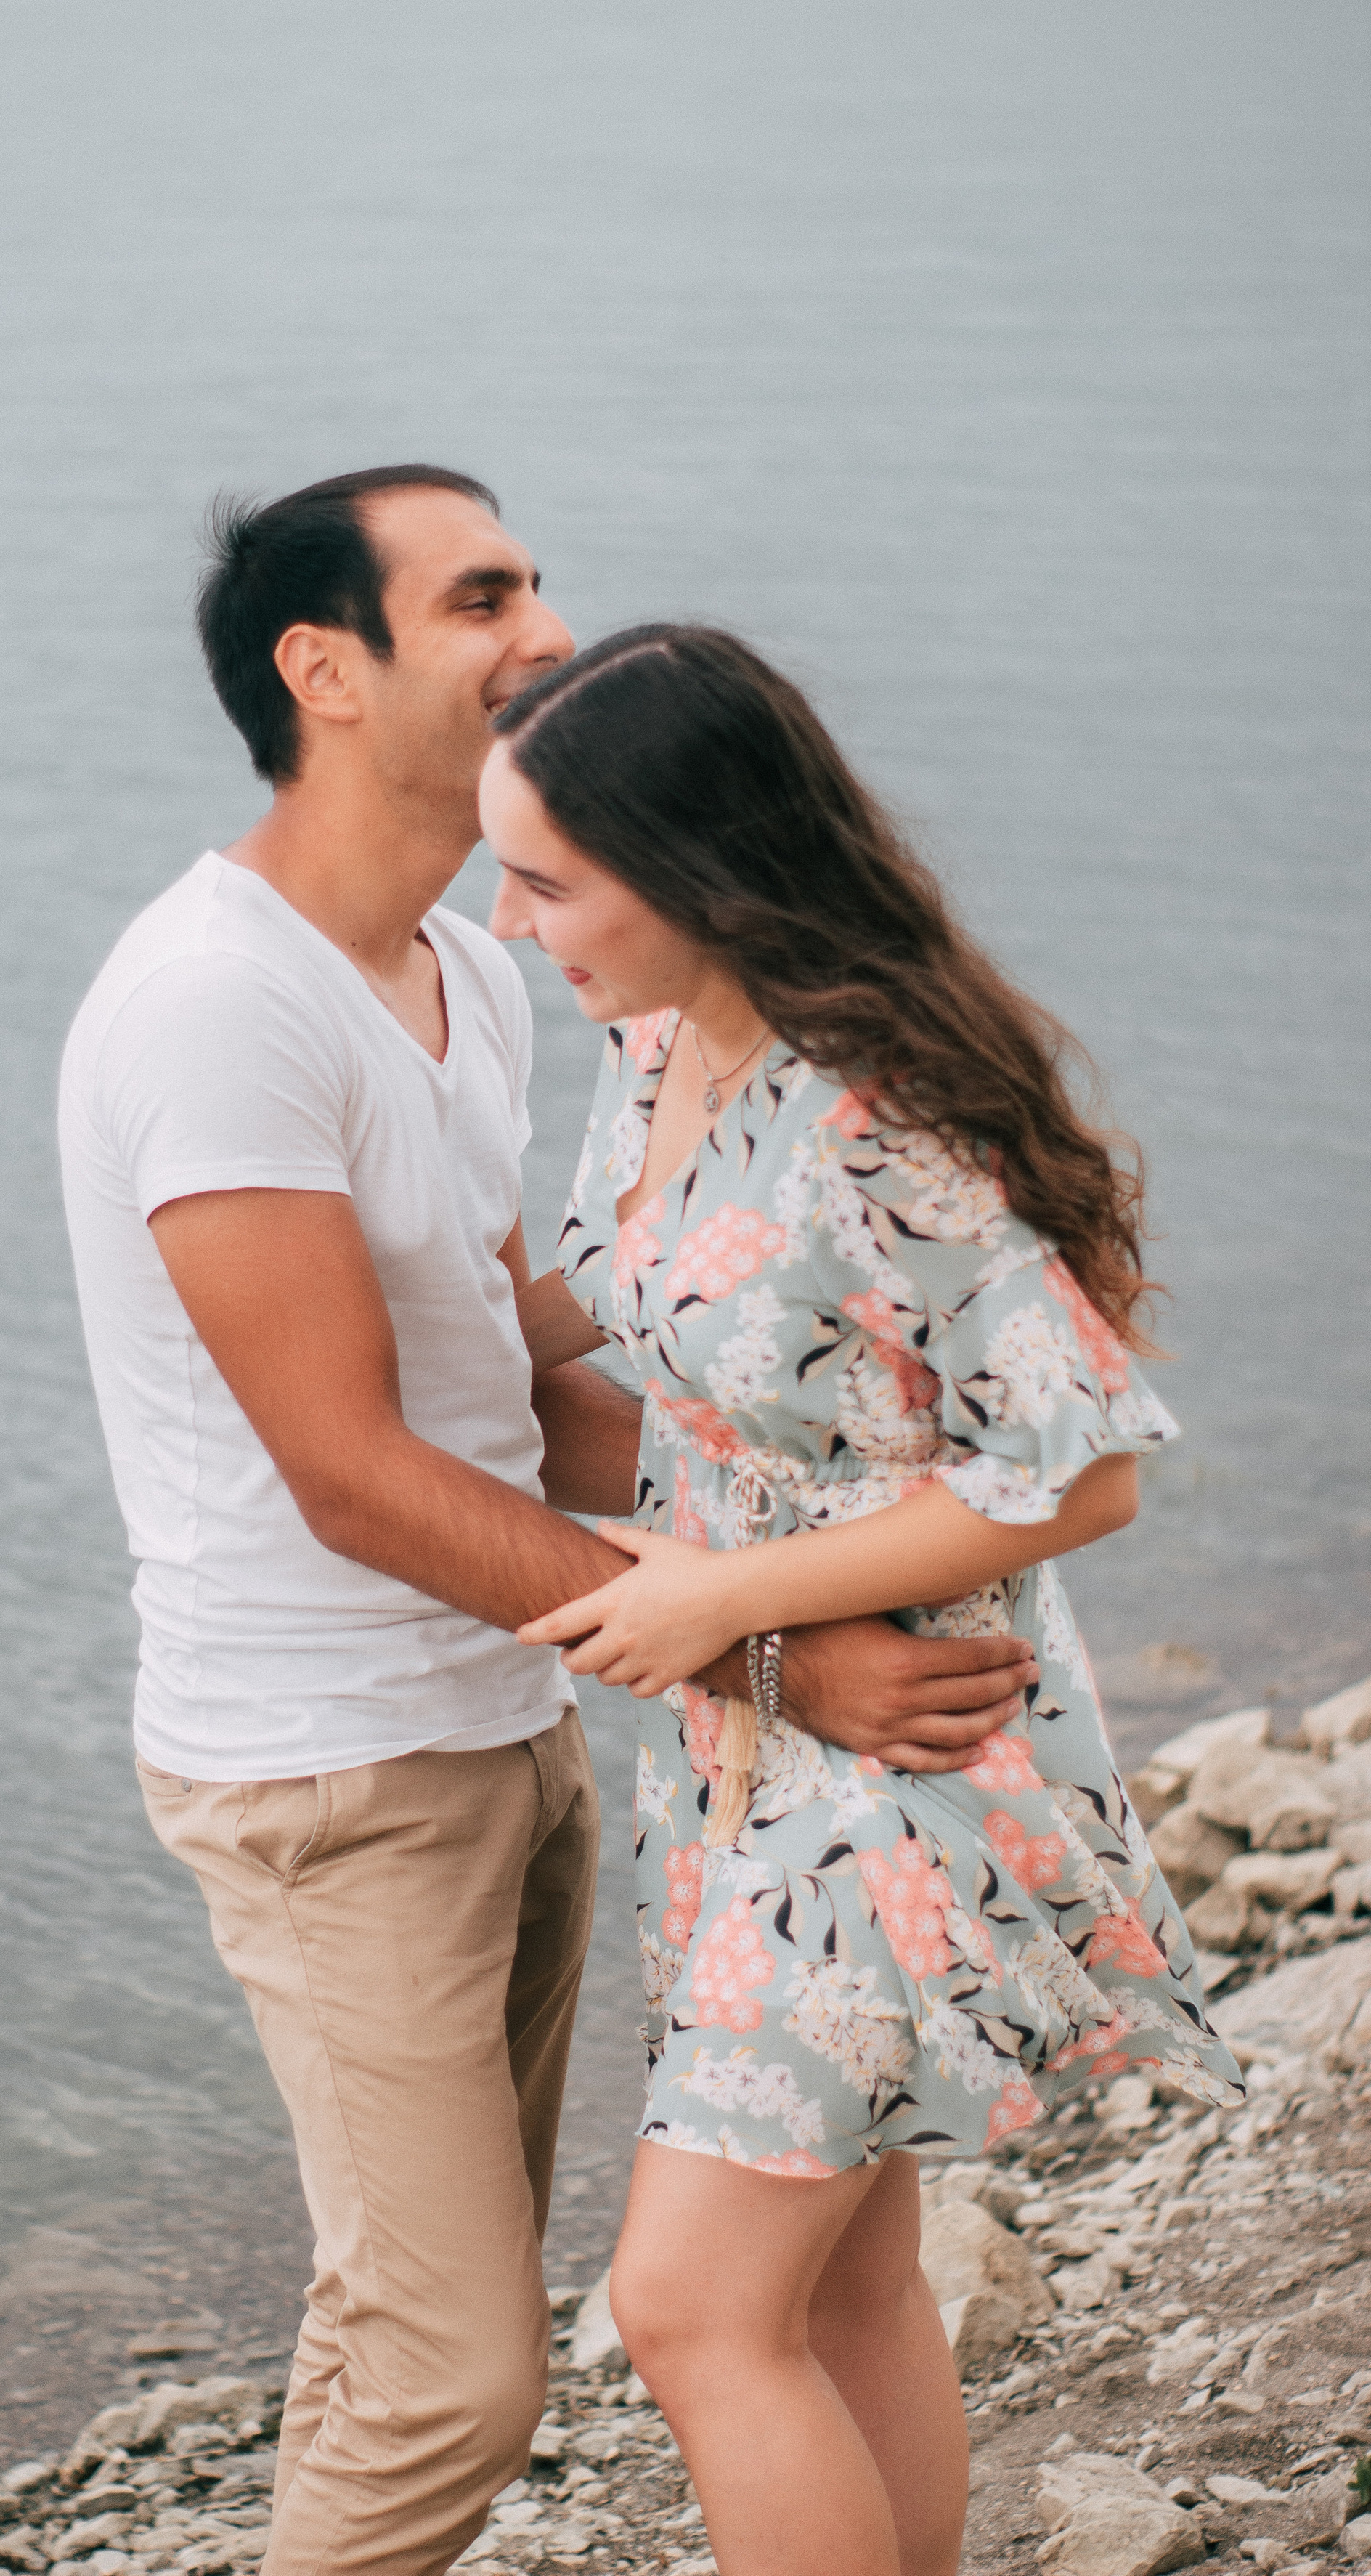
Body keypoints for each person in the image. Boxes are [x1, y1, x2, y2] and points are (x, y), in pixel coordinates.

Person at [60, 469, 1091, 2576]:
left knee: (518, 2312)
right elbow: (348, 1469)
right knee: (451, 2370)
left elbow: (531, 1372)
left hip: (521, 1718)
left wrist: (841, 1543)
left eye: (537, 581)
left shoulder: (467, 965)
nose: (545, 630)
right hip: (332, 1759)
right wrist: (786, 1643)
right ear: (324, 672)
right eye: (483, 596)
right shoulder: (216, 1004)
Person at [478, 621, 1246, 2576]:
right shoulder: (651, 1042)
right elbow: (600, 1292)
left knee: (690, 2307)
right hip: (743, 1757)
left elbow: (1079, 1468)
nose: (511, 915)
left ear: (699, 862)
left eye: (551, 878)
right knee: (836, 2288)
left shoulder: (879, 1118)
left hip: (906, 1754)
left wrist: (728, 1597)